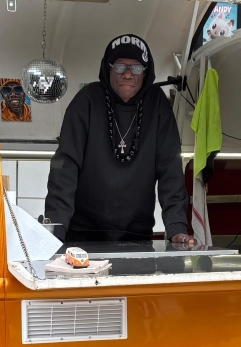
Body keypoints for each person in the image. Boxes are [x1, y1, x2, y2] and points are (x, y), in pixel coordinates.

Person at [45, 34, 193, 245]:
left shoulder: (157, 104)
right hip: (82, 234)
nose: (128, 75)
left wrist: (176, 227)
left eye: (136, 68)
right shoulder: (87, 101)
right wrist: (55, 229)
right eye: (120, 67)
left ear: (146, 72)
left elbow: (170, 170)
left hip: (138, 235)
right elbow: (64, 167)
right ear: (108, 68)